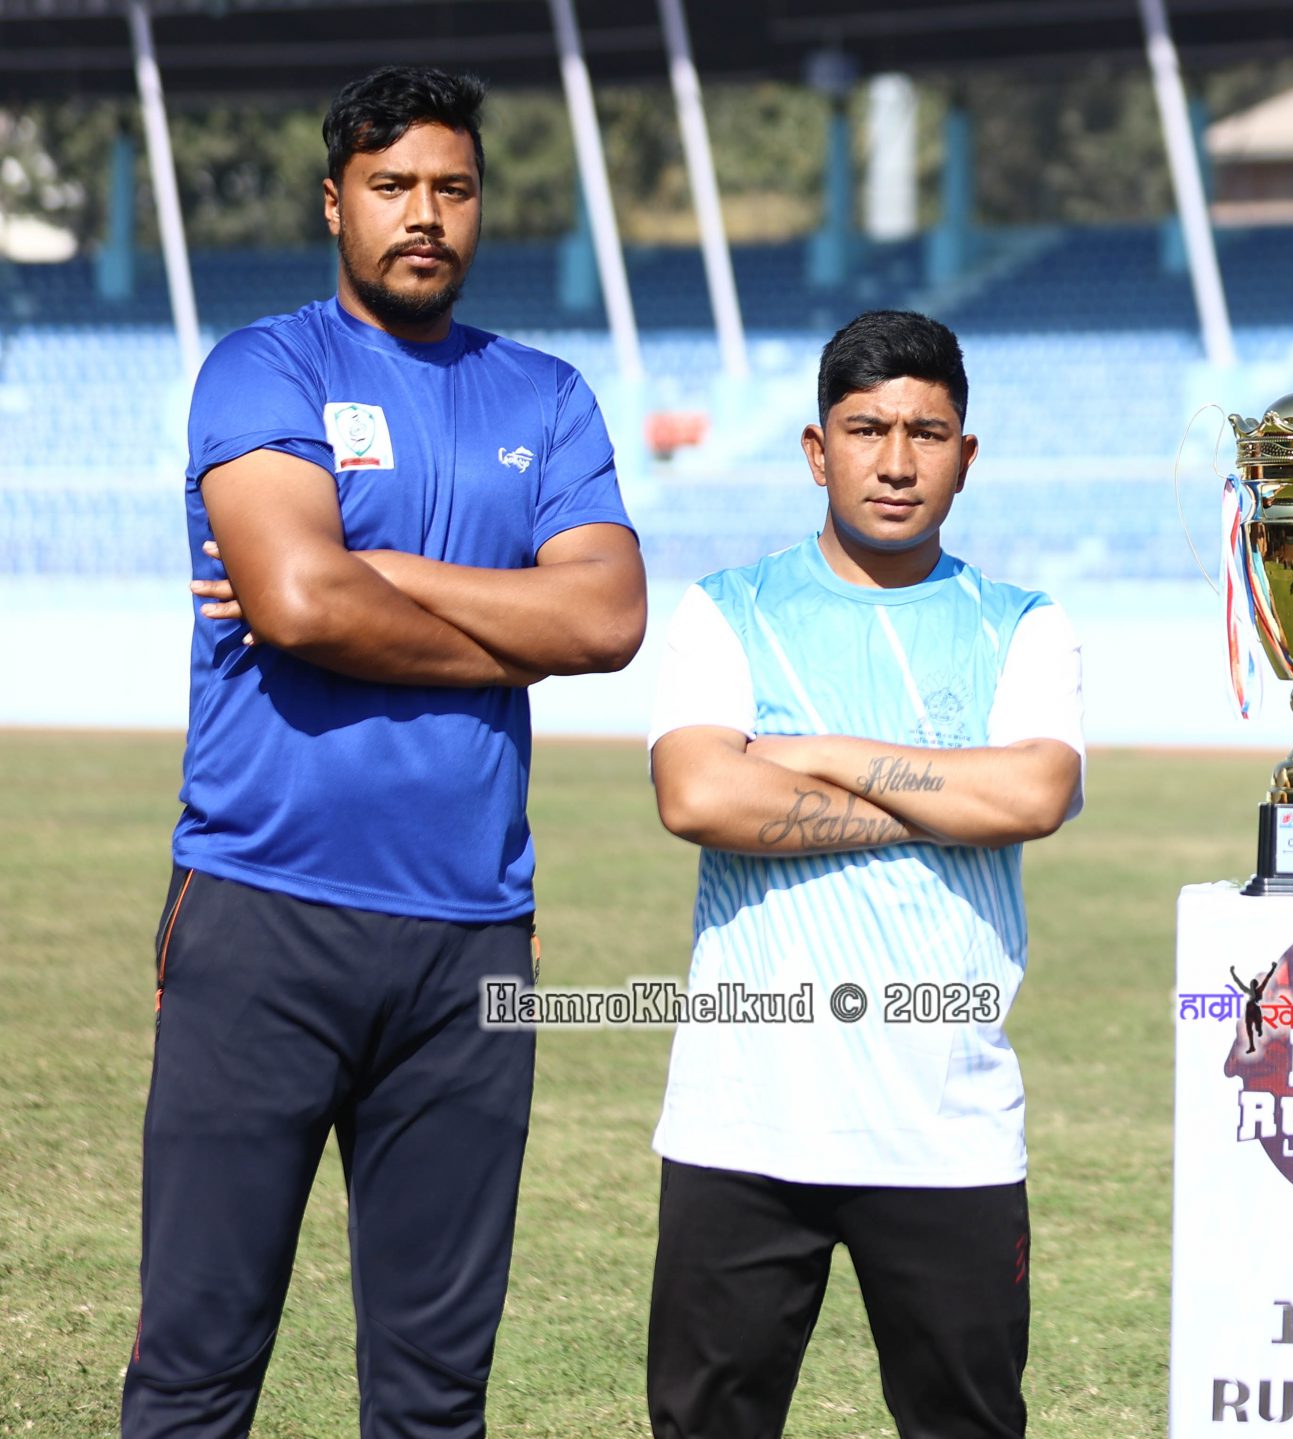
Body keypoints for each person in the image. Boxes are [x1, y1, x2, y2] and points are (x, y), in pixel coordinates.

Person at [136, 66, 645, 1438]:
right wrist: (512, 634)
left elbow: (607, 619)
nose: (425, 214)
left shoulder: (546, 394)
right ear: (334, 202)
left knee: (433, 1394)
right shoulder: (265, 366)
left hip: (472, 943)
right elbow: (302, 604)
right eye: (392, 185)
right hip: (262, 916)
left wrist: (384, 572)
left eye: (452, 188)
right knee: (195, 1369)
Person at [642, 310, 1084, 1439]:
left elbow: (1033, 794)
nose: (896, 462)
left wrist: (823, 751)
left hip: (946, 1124)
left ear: (965, 456)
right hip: (742, 1122)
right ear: (815, 448)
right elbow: (699, 796)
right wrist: (941, 804)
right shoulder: (725, 610)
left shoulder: (1023, 626)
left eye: (926, 434)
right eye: (865, 429)